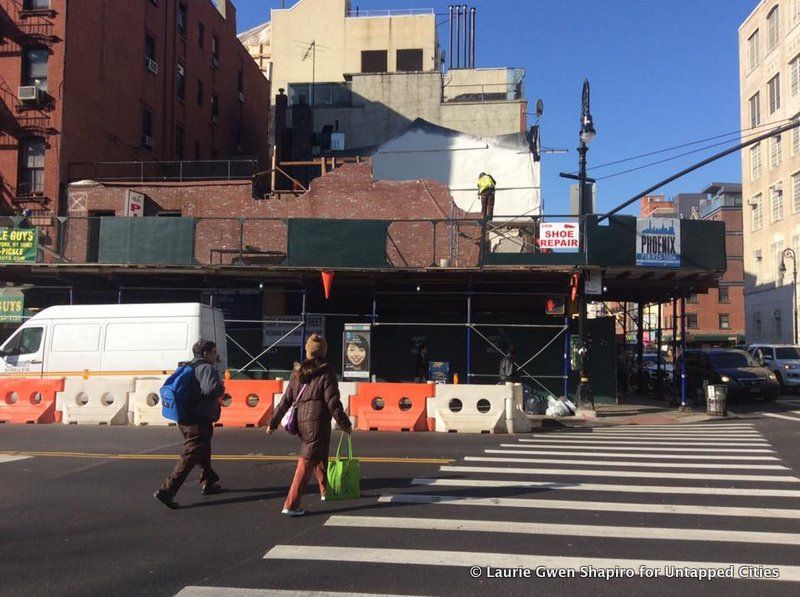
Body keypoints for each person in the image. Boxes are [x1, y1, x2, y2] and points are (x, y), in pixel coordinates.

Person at [266, 334, 352, 516]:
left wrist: (272, 423)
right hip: (318, 422)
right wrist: (345, 424)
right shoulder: (327, 373)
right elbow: (333, 403)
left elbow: (285, 400)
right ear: (323, 352)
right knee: (306, 461)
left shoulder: (297, 372)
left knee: (318, 455)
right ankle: (291, 504)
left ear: (307, 351)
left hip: (302, 423)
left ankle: (325, 491)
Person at [154, 339, 226, 509]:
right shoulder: (206, 368)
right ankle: (167, 491)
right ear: (206, 354)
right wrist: (221, 389)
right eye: (214, 353)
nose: (216, 356)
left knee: (203, 450)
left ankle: (210, 482)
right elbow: (210, 390)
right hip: (198, 419)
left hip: (185, 417)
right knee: (190, 455)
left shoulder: (187, 366)